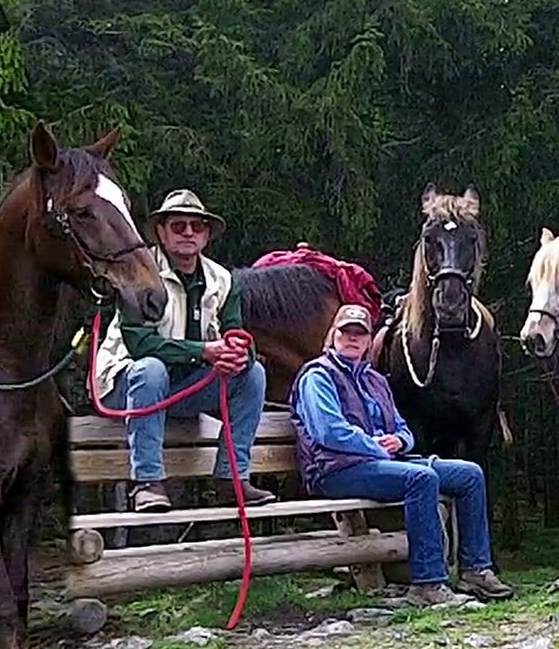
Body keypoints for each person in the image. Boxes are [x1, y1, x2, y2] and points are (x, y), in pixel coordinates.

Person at [289, 304, 513, 606]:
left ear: (369, 340)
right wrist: (375, 446)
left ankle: (476, 570)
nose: (353, 339)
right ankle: (428, 583)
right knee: (420, 478)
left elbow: (402, 427)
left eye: (360, 333)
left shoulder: (375, 380)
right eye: (346, 332)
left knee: (469, 475)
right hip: (335, 470)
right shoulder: (317, 377)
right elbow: (329, 433)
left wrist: (401, 441)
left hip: (382, 463)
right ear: (332, 336)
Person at [92, 189, 277, 512]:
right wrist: (205, 351)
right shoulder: (139, 271)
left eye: (197, 226)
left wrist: (237, 353)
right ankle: (147, 483)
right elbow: (139, 344)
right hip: (124, 383)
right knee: (151, 369)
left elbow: (237, 332)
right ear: (162, 232)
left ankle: (232, 479)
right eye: (179, 226)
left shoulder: (223, 280)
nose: (189, 233)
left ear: (207, 235)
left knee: (253, 374)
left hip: (182, 388)